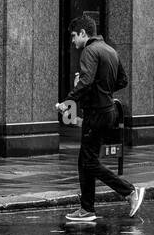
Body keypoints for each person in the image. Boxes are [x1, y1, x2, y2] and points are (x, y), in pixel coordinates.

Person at [56, 14, 145, 224]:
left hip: (96, 113)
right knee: (84, 161)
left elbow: (85, 82)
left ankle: (129, 191)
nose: (72, 41)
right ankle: (87, 209)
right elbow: (123, 80)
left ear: (84, 33)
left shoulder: (89, 50)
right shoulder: (109, 49)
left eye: (74, 36)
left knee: (89, 161)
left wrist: (67, 102)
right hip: (108, 111)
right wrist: (104, 90)